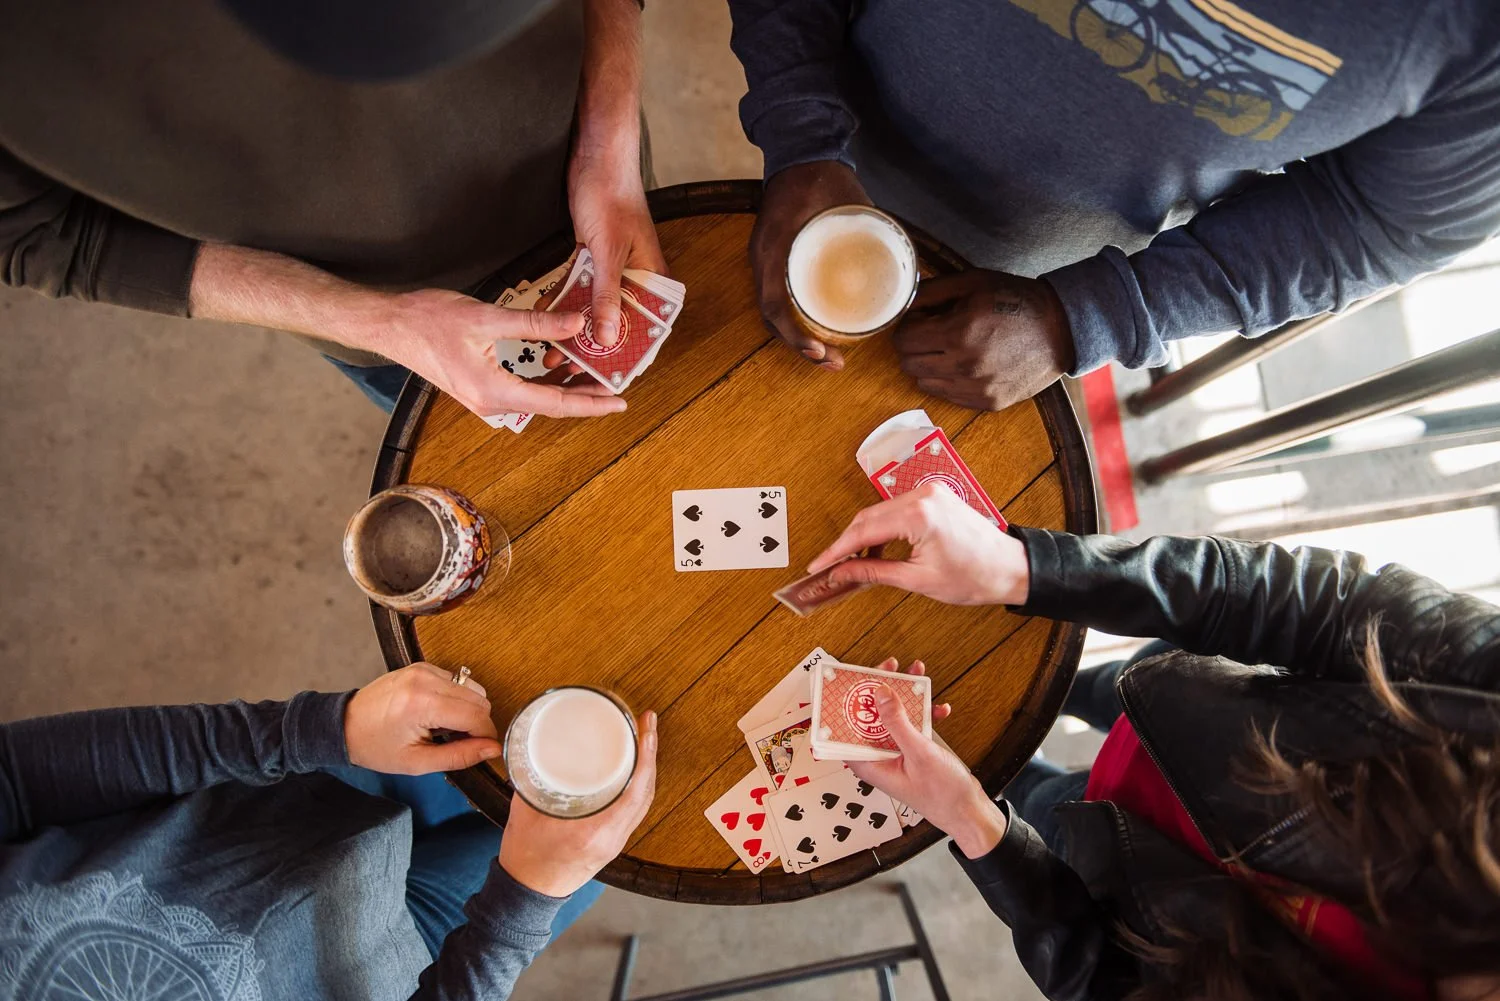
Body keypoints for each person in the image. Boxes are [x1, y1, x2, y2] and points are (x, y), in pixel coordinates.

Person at [805, 483, 1500, 1000]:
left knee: (1022, 783)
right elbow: (1320, 603)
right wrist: (1024, 567)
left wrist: (972, 818)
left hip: (1111, 866)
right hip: (1195, 704)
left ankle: (1016, 753)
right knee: (1080, 684)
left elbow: (1100, 982)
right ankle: (1060, 696)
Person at [728, 0, 1500, 410]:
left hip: (1031, 271)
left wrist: (1086, 315)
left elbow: (1383, 224)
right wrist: (799, 128)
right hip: (830, 120)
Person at [0, 0, 661, 416]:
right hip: (388, 322)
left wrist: (606, 141)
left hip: (594, 179)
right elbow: (39, 233)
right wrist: (385, 322)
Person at [0, 662, 659, 1000]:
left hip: (302, 798)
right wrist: (525, 899)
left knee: (534, 696)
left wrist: (318, 729)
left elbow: (16, 778)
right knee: (629, 817)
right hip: (423, 960)